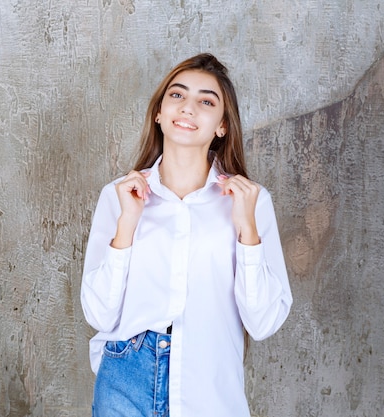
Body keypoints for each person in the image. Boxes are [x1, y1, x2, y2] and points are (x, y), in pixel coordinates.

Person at [80, 53, 293, 417]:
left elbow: (263, 322)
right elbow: (98, 315)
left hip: (207, 384)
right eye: (177, 95)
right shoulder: (119, 195)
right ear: (160, 114)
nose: (188, 108)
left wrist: (247, 232)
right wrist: (127, 225)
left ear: (222, 126)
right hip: (126, 376)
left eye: (206, 101)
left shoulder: (250, 201)